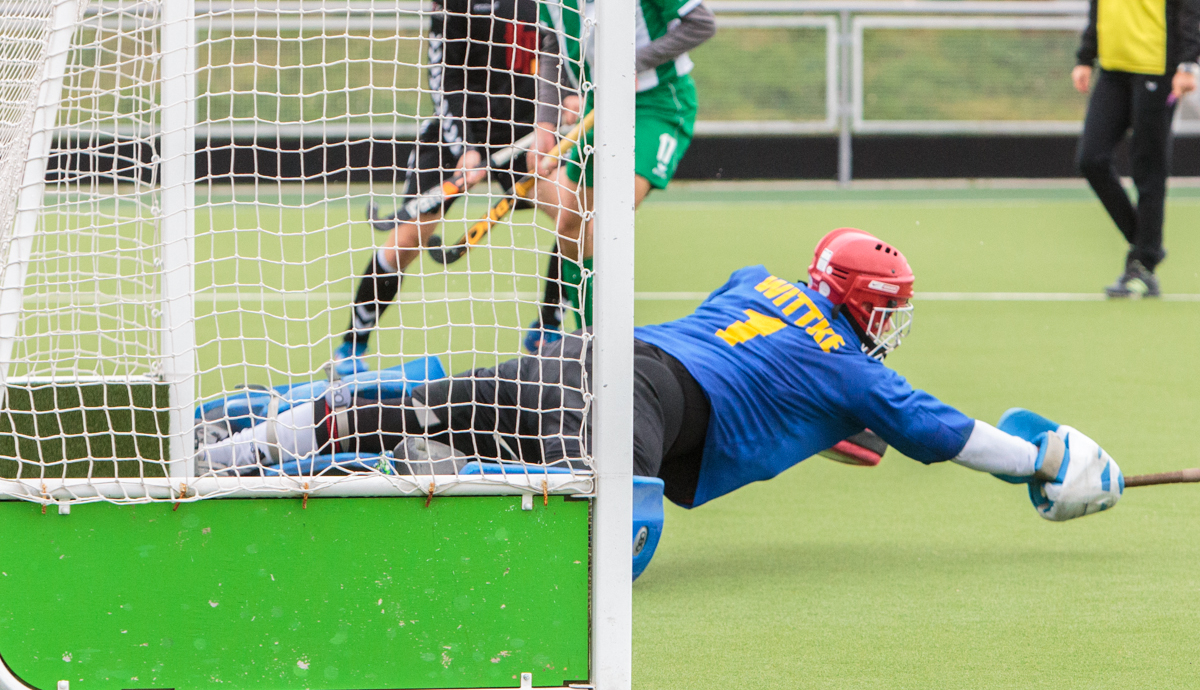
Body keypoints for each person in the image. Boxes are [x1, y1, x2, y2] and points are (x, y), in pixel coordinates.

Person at [197, 228, 1124, 548]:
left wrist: (820, 425)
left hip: (583, 359)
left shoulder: (757, 280)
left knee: (422, 421)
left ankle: (227, 451)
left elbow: (759, 369)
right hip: (633, 411)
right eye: (889, 311)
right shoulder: (851, 369)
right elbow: (945, 431)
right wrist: (1045, 457)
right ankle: (344, 470)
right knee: (597, 559)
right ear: (866, 308)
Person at [334, 0, 560, 373]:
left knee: (576, 217)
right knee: (412, 235)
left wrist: (557, 114)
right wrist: (466, 148)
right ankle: (351, 348)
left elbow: (563, 59)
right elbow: (441, 77)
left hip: (528, 134)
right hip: (458, 129)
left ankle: (548, 330)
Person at [526, 0, 716, 346]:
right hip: (593, 116)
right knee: (571, 222)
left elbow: (701, 23)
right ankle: (573, 334)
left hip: (658, 105)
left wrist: (632, 63)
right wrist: (546, 123)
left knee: (605, 216)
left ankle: (593, 340)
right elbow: (550, 47)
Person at [1072, 0, 1200, 300]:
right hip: (1113, 67)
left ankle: (1143, 261)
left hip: (1156, 71)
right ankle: (1145, 243)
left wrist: (1188, 65)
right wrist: (1085, 56)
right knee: (1091, 159)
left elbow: (1190, 6)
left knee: (1149, 169)